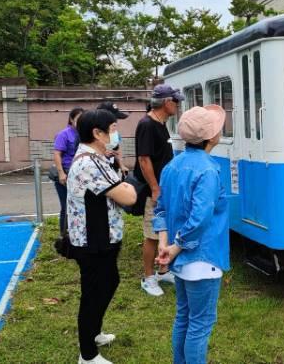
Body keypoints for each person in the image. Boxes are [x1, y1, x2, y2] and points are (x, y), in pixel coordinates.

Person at [154, 105, 230, 364]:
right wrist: (175, 247)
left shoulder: (172, 166)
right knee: (200, 324)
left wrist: (165, 245)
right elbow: (200, 218)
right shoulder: (209, 170)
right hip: (202, 257)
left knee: (184, 317)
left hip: (181, 260)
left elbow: (161, 208)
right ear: (211, 137)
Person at [67, 109, 137, 364]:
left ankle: (94, 333)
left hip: (101, 236)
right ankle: (87, 355)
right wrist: (126, 185)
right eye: (113, 128)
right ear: (97, 133)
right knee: (94, 292)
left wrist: (122, 182)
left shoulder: (97, 158)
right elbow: (128, 195)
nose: (116, 133)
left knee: (109, 282)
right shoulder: (89, 162)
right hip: (93, 240)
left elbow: (121, 186)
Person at [134, 84, 183, 296]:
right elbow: (144, 159)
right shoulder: (147, 124)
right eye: (176, 101)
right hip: (153, 190)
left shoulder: (161, 123)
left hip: (164, 189)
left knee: (165, 231)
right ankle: (148, 277)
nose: (178, 106)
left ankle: (163, 271)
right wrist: (155, 188)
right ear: (167, 102)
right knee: (152, 234)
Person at [53, 107, 84, 234]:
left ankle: (78, 231)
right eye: (78, 119)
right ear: (71, 119)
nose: (81, 122)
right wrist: (61, 173)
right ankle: (64, 234)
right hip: (66, 173)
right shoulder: (64, 134)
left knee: (79, 206)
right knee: (66, 206)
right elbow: (57, 154)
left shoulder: (84, 133)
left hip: (80, 175)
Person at [95, 102, 129, 175]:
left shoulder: (115, 132)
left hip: (113, 168)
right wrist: (103, 153)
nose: (115, 121)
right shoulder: (93, 133)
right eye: (113, 118)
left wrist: (121, 165)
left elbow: (117, 149)